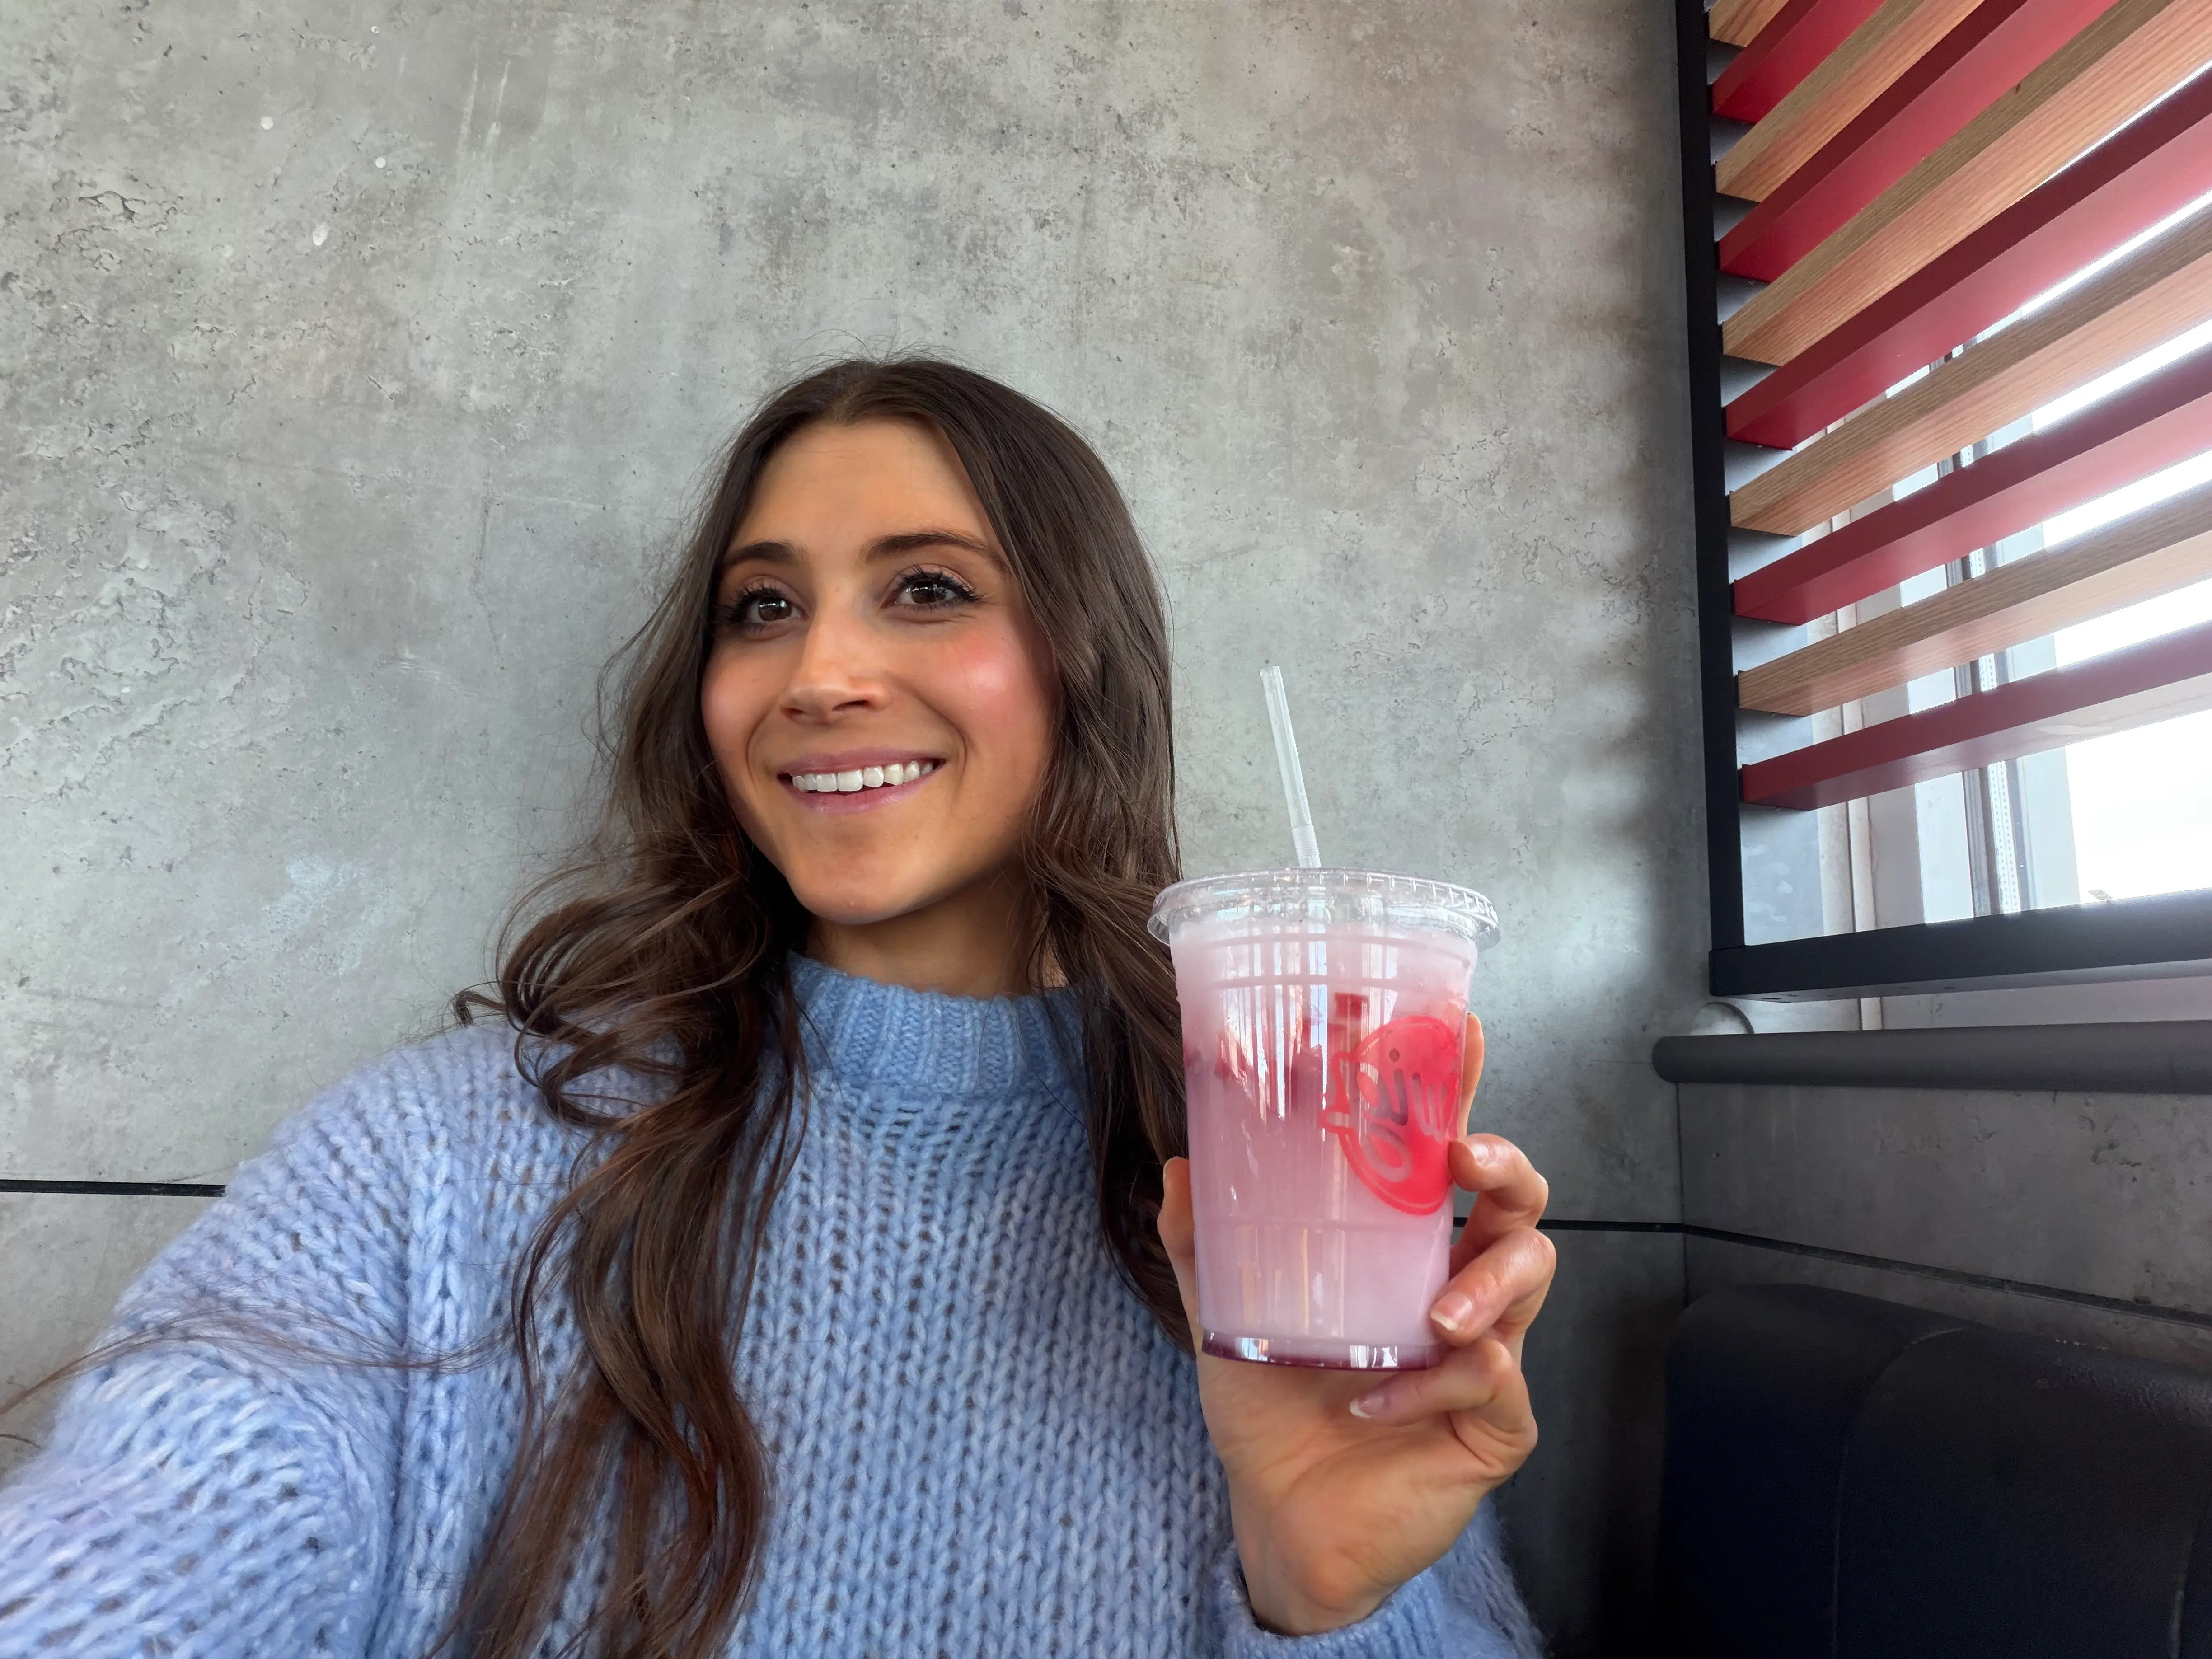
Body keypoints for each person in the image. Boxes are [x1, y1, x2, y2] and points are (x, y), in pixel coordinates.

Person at [0, 358, 1556, 1656]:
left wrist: (1321, 1602)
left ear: (1086, 663)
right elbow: (138, 1548)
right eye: (761, 608)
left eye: (928, 589)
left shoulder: (1265, 1218)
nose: (820, 671)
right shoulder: (429, 1168)